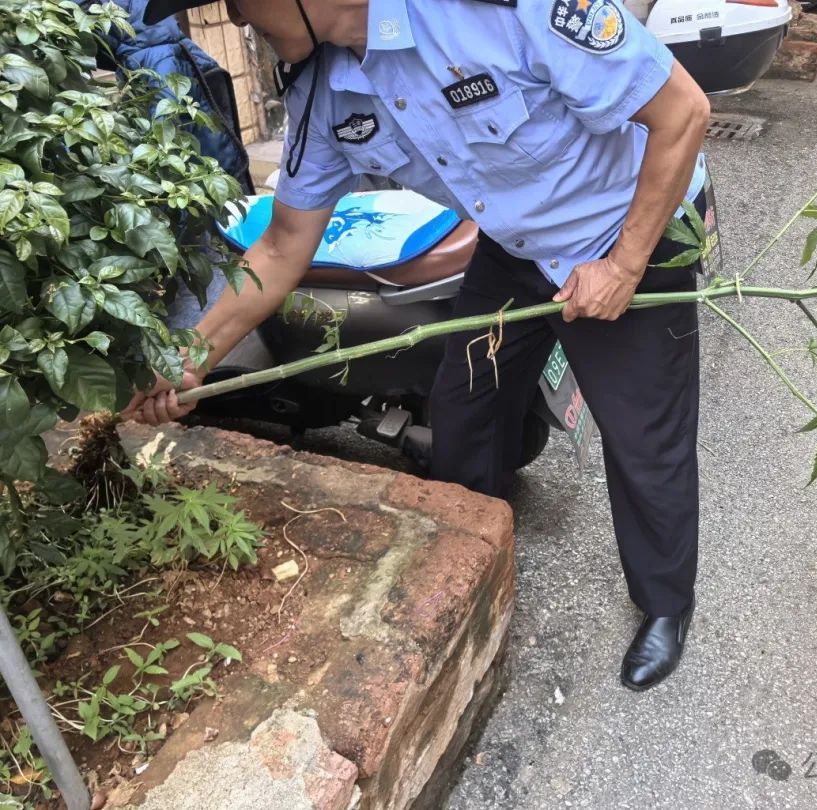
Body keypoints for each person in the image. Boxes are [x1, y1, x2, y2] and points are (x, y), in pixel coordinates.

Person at [127, 0, 710, 691]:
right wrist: (188, 357)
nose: (240, 24)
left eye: (241, 6)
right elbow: (283, 245)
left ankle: (666, 604)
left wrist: (623, 264)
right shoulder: (322, 93)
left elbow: (684, 113)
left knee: (645, 438)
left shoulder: (497, 11)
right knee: (465, 408)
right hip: (516, 248)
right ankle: (470, 572)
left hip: (629, 229)